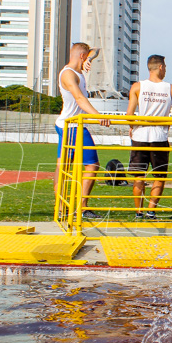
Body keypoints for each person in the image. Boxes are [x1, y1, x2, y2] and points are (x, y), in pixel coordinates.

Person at [54, 43, 109, 221]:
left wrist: (89, 59)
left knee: (66, 167)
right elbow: (79, 98)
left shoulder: (78, 69)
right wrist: (98, 116)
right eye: (86, 58)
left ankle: (70, 207)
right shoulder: (69, 74)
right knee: (84, 166)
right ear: (82, 56)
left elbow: (97, 49)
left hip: (75, 126)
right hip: (71, 126)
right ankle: (73, 207)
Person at [126, 54, 172, 219]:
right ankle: (151, 210)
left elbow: (129, 115)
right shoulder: (171, 88)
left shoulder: (137, 87)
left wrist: (133, 126)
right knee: (159, 176)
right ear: (161, 67)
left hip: (140, 135)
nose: (165, 70)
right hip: (159, 136)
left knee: (139, 175)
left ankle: (139, 212)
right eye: (165, 67)